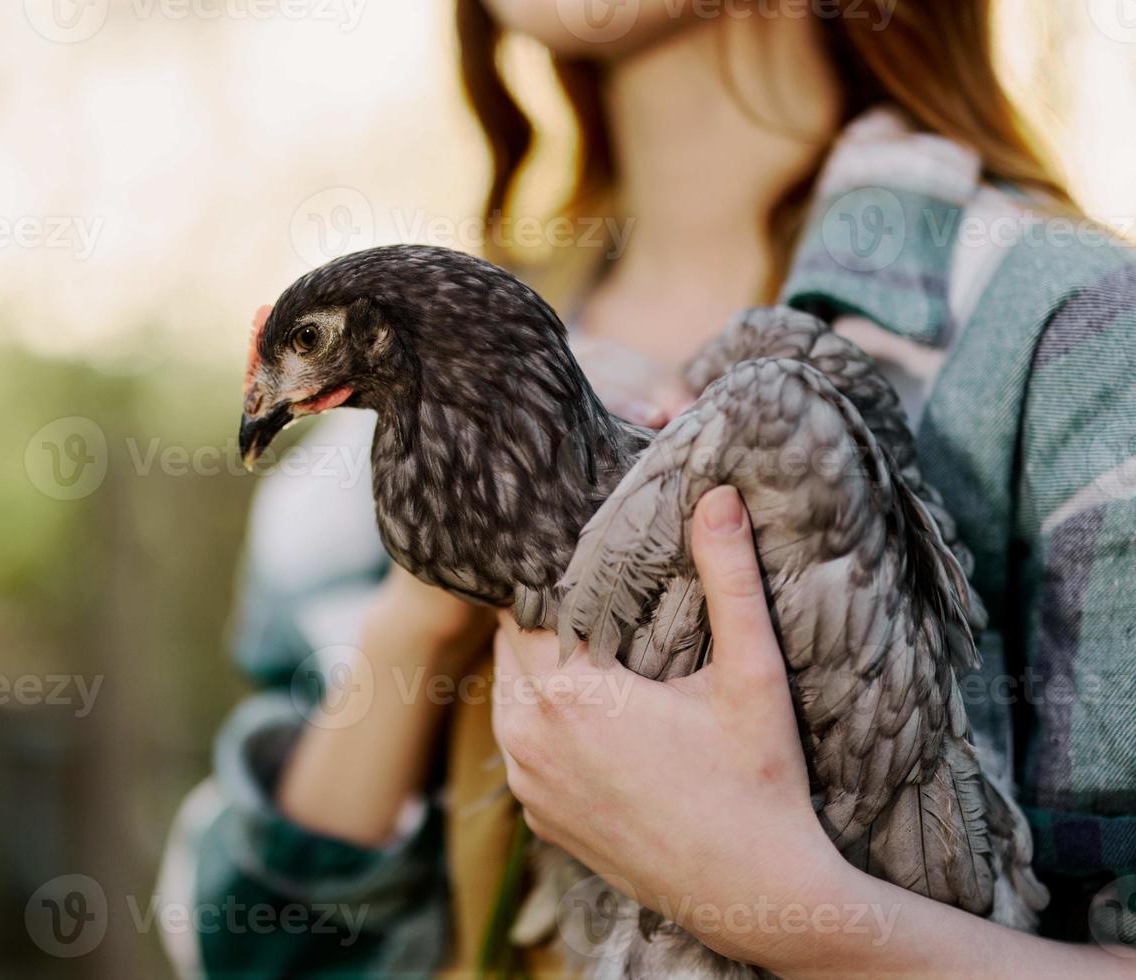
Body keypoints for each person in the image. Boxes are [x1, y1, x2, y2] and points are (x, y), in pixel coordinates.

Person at [161, 1, 1136, 975]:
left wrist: (793, 909)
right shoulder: (360, 439)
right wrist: (420, 616)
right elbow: (257, 951)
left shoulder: (1072, 334)